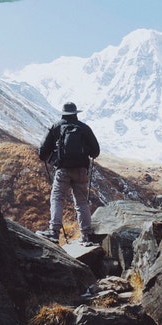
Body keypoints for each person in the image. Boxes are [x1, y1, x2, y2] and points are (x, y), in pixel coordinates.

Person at [37, 102, 100, 245]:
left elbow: (42, 151)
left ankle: (54, 232)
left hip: (63, 170)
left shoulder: (56, 126)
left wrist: (52, 158)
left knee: (57, 198)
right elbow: (96, 151)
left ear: (63, 113)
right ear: (76, 113)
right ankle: (86, 235)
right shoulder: (84, 128)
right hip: (81, 171)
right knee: (81, 202)